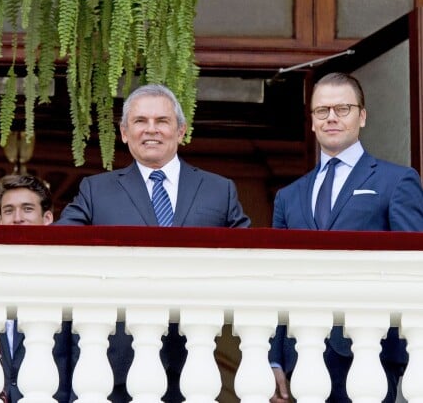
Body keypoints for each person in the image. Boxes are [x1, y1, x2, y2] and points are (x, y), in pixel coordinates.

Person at [56, 83, 251, 402]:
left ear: (181, 130)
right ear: (123, 131)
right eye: (140, 121)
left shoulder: (218, 190)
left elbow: (250, 257)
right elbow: (58, 247)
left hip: (195, 359)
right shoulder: (96, 190)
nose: (151, 130)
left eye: (162, 121)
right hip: (116, 361)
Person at [269, 72, 423, 403]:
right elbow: (279, 281)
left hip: (369, 350)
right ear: (311, 121)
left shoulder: (397, 181)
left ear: (362, 115)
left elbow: (413, 269)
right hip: (302, 352)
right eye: (322, 111)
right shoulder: (289, 196)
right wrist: (274, 357)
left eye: (343, 108)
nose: (332, 118)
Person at [0, 174, 77, 403]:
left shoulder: (67, 281)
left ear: (47, 218)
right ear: (0, 220)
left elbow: (76, 356)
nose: (17, 218)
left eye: (27, 209)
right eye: (8, 211)